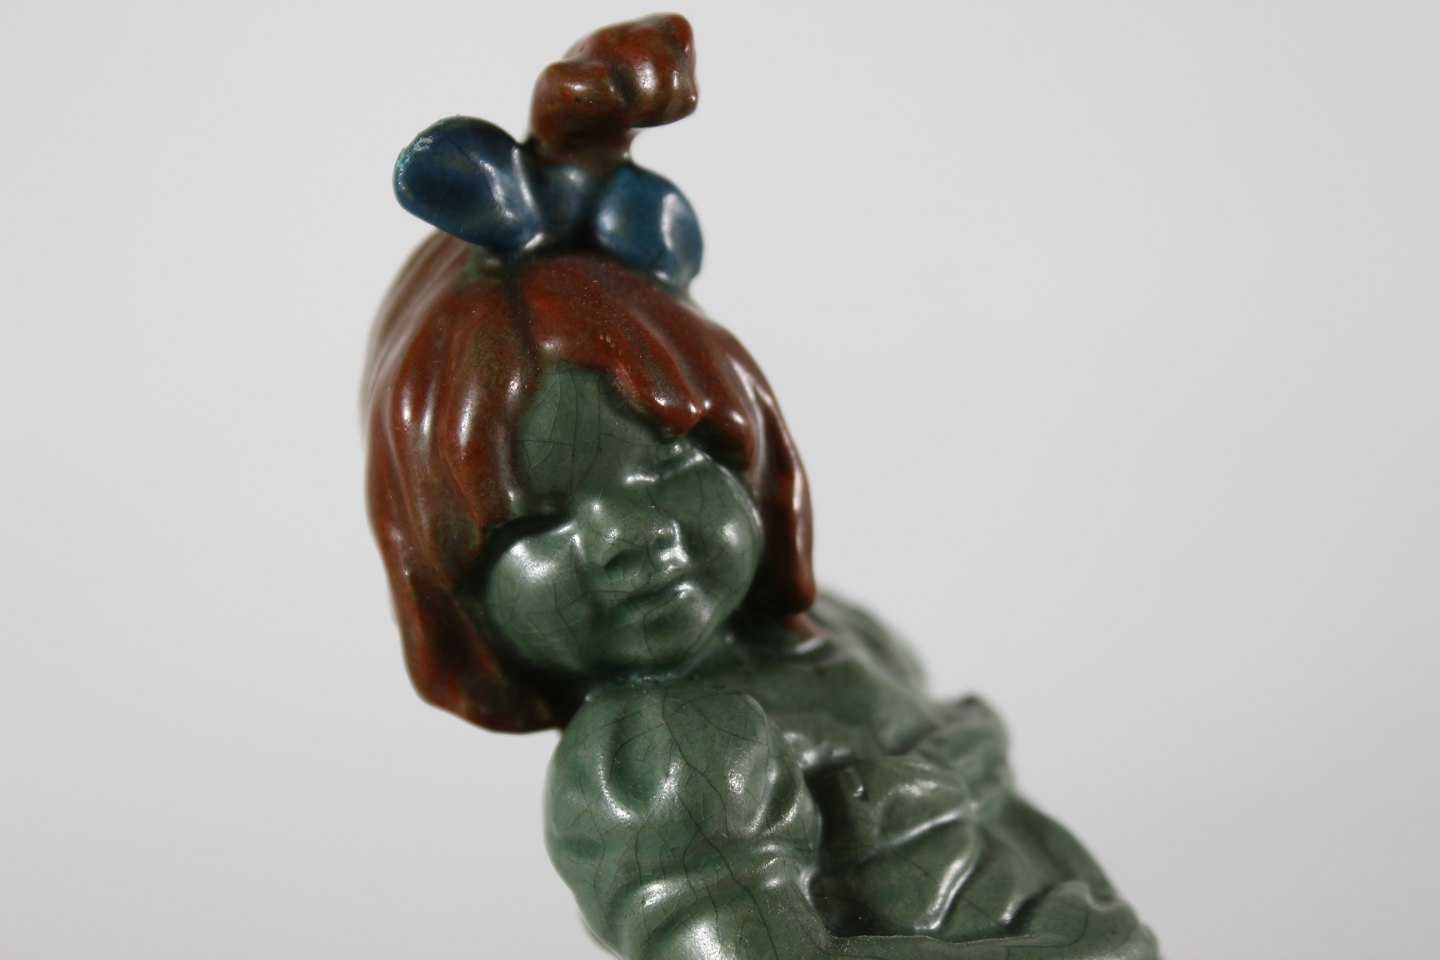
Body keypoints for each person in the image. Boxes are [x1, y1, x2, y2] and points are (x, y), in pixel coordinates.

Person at [364, 16, 1159, 960]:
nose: (629, 535)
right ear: (449, 589)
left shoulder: (840, 638)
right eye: (536, 522)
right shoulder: (662, 748)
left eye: (669, 463)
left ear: (754, 455)